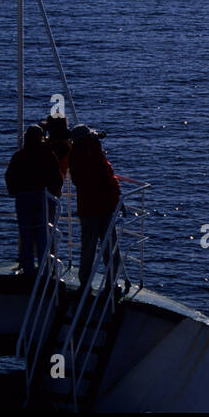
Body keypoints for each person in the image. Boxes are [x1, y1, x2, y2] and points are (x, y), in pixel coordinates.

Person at [68, 124, 124, 292]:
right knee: (110, 248)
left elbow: (78, 180)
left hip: (86, 209)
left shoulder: (75, 156)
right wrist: (117, 201)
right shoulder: (95, 154)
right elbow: (109, 179)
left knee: (88, 248)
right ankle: (111, 283)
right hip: (104, 208)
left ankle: (84, 282)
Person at [5, 124, 62, 275]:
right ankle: (46, 269)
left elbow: (10, 176)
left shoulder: (19, 156)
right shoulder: (48, 154)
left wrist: (15, 191)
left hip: (23, 198)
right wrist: (52, 192)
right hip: (41, 197)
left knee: (26, 235)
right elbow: (57, 178)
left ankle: (28, 269)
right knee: (43, 235)